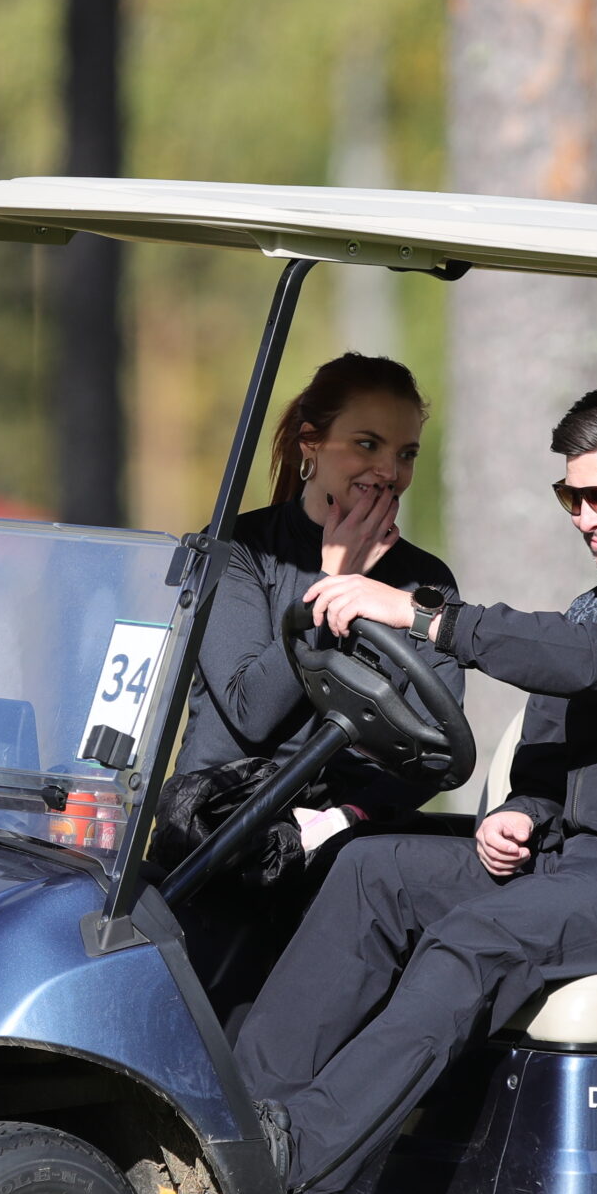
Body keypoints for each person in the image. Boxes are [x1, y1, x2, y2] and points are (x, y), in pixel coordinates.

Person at [233, 376, 597, 1194]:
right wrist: (523, 808)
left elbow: (588, 664)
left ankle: (289, 1162)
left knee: (480, 935)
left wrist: (426, 616)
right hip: (593, 867)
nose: (585, 518)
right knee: (372, 870)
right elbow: (551, 741)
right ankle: (232, 1122)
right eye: (571, 497)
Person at [164, 353, 462, 1006]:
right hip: (221, 839)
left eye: (406, 453)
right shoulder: (238, 550)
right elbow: (251, 711)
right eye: (367, 444)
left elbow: (436, 749)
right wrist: (334, 586)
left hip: (341, 851)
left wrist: (347, 815)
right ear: (311, 444)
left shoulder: (425, 581)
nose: (390, 471)